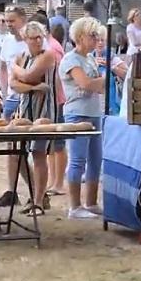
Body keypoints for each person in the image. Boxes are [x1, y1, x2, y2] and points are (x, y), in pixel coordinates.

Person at [59, 16, 105, 220]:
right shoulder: (70, 59)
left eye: (97, 35)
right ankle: (74, 206)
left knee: (96, 159)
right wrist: (102, 80)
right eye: (92, 35)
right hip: (77, 112)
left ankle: (91, 202)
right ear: (79, 37)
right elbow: (85, 83)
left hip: (94, 111)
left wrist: (98, 82)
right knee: (78, 159)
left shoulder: (90, 58)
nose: (96, 39)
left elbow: (96, 86)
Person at [10, 21, 57, 215]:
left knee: (38, 155)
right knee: (16, 154)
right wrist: (33, 87)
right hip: (24, 110)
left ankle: (38, 202)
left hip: (43, 112)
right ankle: (37, 193)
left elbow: (29, 75)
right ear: (25, 39)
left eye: (40, 37)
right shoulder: (23, 56)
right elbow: (14, 84)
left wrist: (15, 69)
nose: (37, 41)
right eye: (33, 38)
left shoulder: (48, 55)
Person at [0, 6, 33, 206]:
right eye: (6, 21)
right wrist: (3, 91)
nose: (9, 25)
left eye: (12, 21)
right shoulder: (7, 41)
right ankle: (12, 190)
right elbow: (3, 67)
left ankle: (37, 192)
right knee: (11, 148)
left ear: (23, 20)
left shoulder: (31, 44)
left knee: (22, 149)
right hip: (10, 98)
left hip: (26, 99)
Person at [31, 13, 68, 196]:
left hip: (57, 99)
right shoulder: (47, 47)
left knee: (58, 144)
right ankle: (53, 181)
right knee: (51, 146)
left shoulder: (53, 48)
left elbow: (59, 76)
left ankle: (59, 182)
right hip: (50, 100)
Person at [93, 25, 128, 116]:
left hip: (111, 105)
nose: (100, 43)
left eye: (102, 40)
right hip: (94, 105)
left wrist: (111, 67)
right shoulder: (88, 57)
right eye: (97, 40)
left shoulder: (111, 56)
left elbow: (127, 74)